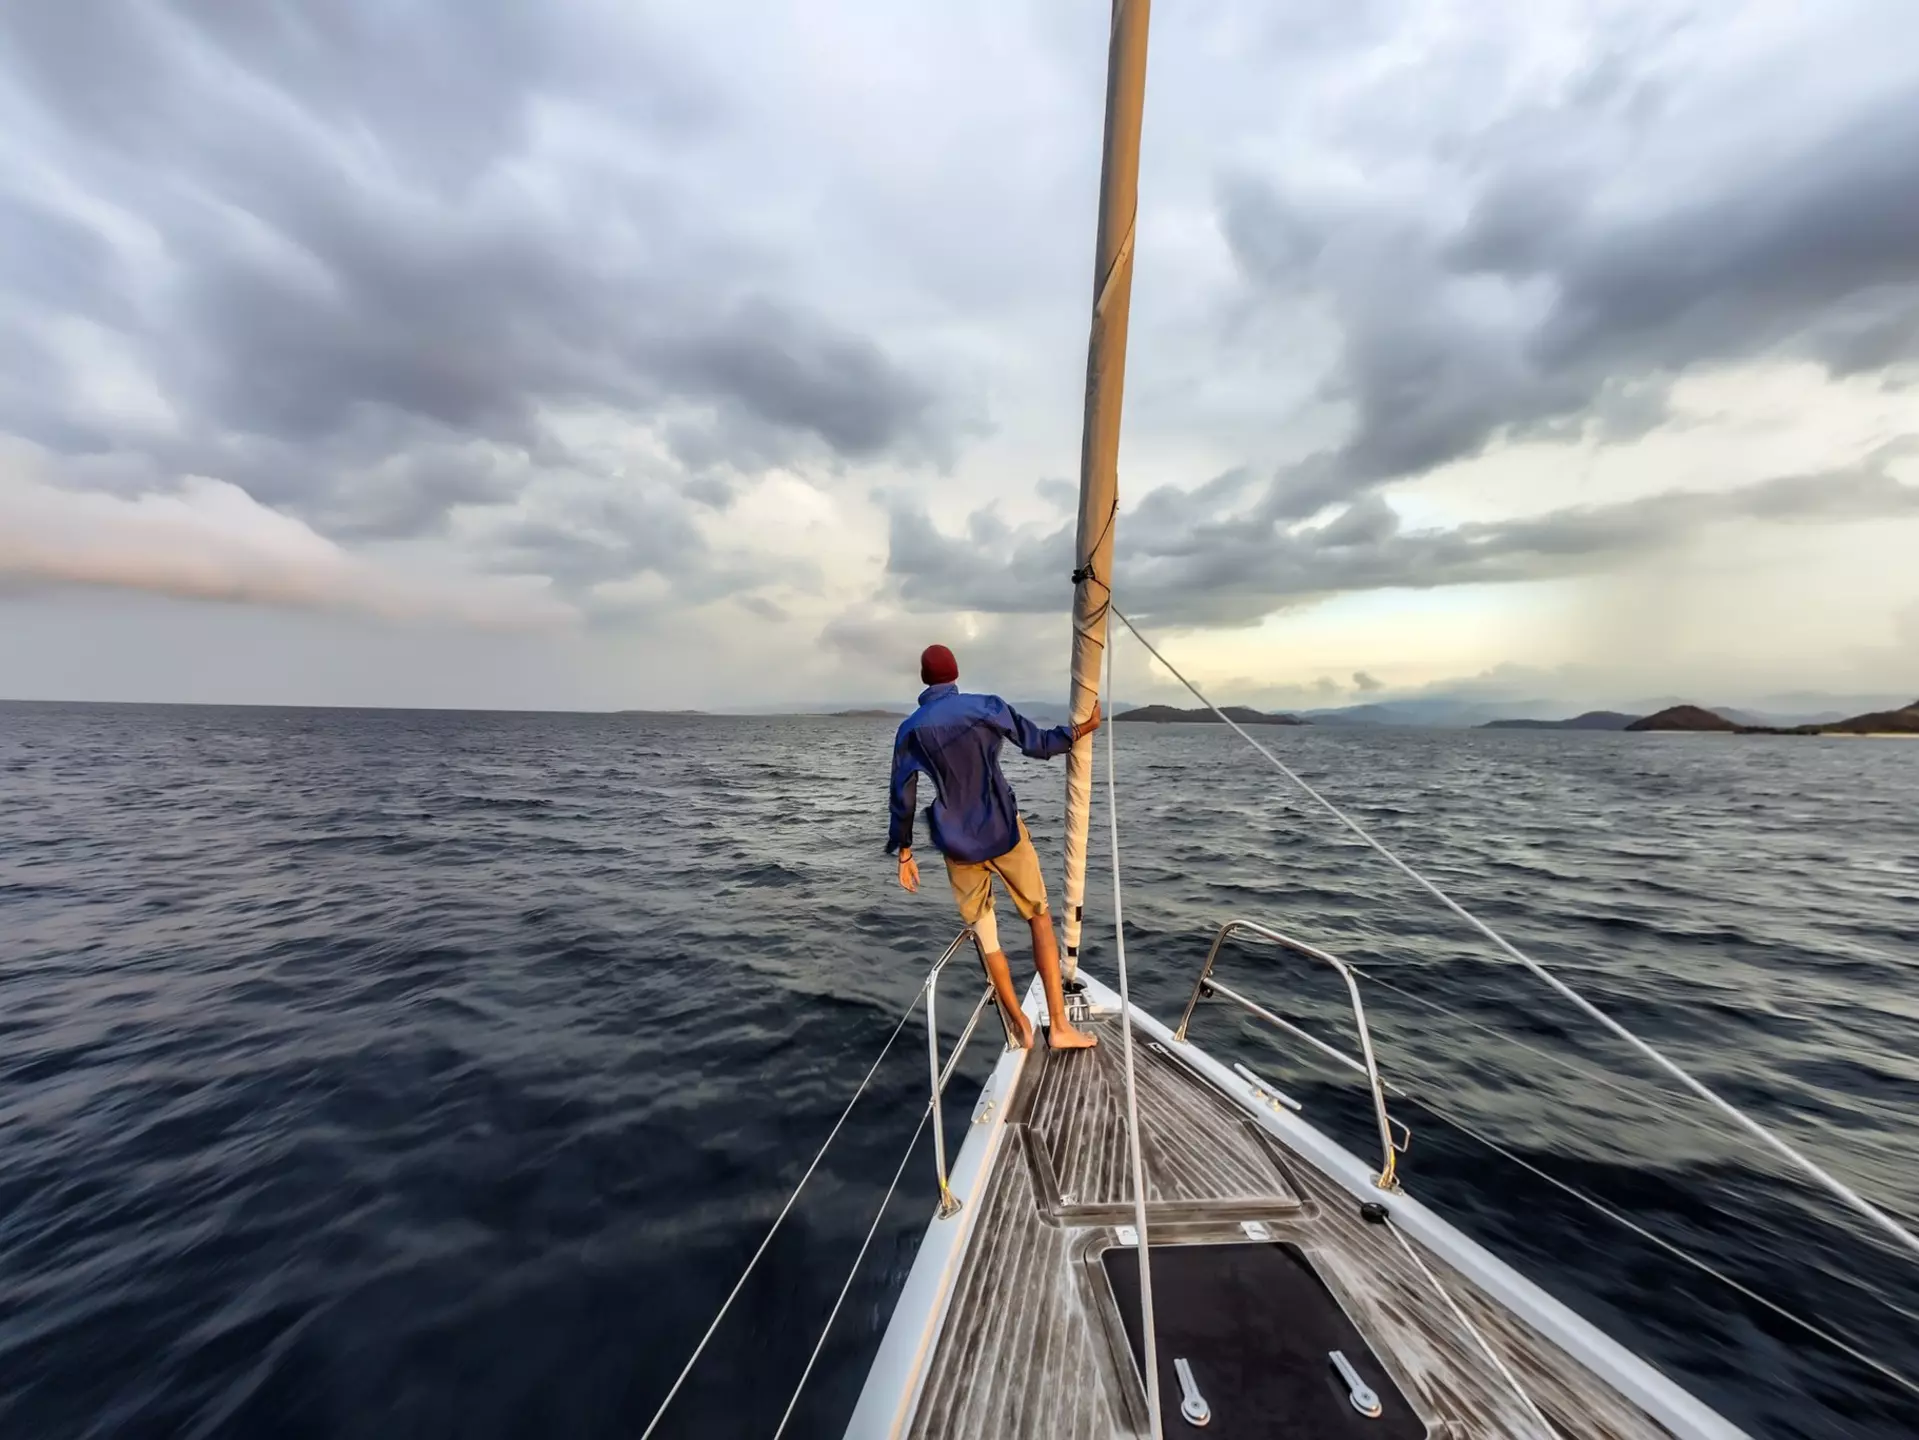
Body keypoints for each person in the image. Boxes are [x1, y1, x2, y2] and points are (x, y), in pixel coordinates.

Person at [887, 643, 1102, 1050]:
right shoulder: (984, 706)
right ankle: (1058, 1027)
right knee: (1038, 917)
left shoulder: (910, 729)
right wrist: (1080, 730)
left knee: (988, 939)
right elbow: (1037, 743)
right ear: (954, 674)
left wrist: (905, 852)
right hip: (1003, 829)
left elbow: (904, 794)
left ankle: (1019, 1022)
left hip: (957, 846)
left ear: (923, 679)